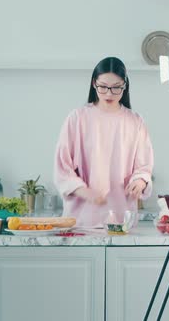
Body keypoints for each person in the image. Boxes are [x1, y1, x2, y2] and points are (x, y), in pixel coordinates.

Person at [53, 57, 154, 227]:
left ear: (125, 85)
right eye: (103, 87)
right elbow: (62, 167)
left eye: (116, 88)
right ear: (94, 83)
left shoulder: (135, 121)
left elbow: (144, 167)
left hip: (122, 219)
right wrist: (84, 191)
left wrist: (140, 181)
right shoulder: (77, 118)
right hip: (81, 219)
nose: (109, 93)